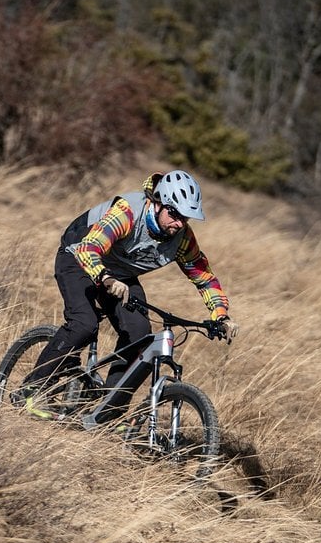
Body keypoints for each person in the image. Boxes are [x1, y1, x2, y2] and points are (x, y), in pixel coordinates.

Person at [22, 169, 232, 418]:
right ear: (158, 202)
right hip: (78, 255)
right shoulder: (129, 212)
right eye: (174, 214)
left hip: (118, 273)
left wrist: (221, 316)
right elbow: (90, 248)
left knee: (139, 335)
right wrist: (105, 277)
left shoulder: (182, 239)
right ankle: (31, 391)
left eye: (185, 218)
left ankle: (108, 413)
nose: (179, 223)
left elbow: (205, 278)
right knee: (83, 324)